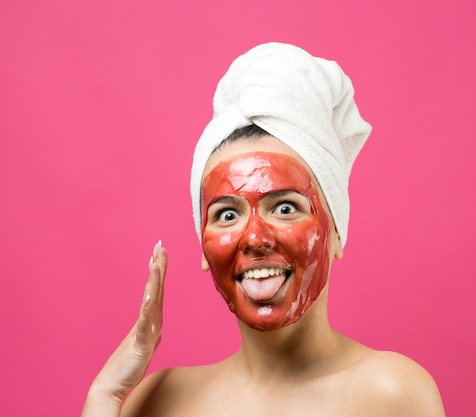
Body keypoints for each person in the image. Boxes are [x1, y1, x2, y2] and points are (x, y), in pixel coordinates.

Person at [81, 43, 445, 417]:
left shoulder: (390, 393)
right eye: (226, 215)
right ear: (203, 248)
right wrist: (105, 396)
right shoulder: (158, 397)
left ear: (336, 231)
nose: (254, 238)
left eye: (285, 208)